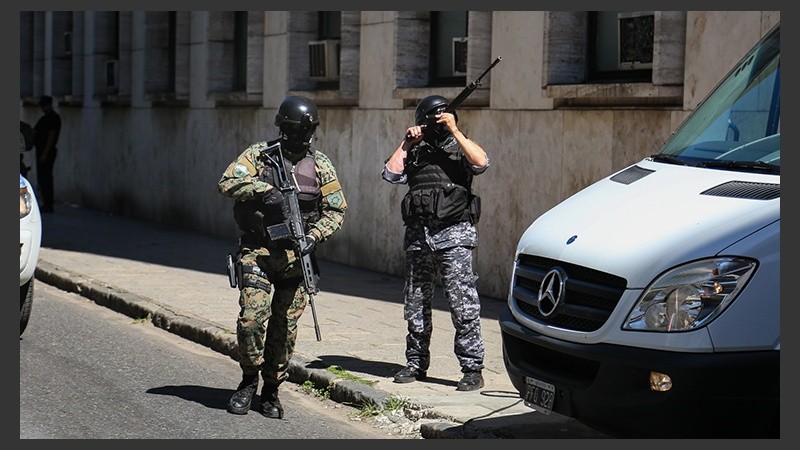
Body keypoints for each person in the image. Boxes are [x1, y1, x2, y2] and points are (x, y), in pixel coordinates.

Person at [218, 95, 347, 418]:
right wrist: (262, 190)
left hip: (295, 259)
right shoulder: (260, 156)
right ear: (282, 128)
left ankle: (272, 389)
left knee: (284, 330)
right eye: (292, 131)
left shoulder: (320, 165)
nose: (299, 138)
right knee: (251, 320)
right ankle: (248, 381)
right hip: (258, 252)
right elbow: (227, 182)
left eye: (305, 132)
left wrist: (314, 236)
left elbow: (336, 210)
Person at [381, 95, 489, 391]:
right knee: (416, 302)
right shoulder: (416, 152)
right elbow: (390, 174)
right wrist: (406, 143)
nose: (440, 123)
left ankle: (472, 368)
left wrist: (455, 131)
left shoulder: (461, 146)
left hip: (454, 236)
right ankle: (416, 363)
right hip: (419, 237)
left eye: (446, 118)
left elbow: (482, 162)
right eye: (436, 119)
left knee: (462, 301)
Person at [33, 95, 61, 213]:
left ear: (49, 105)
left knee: (46, 178)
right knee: (42, 177)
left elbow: (51, 136)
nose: (42, 108)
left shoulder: (53, 118)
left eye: (44, 105)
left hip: (46, 152)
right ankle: (46, 203)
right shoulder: (45, 118)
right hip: (41, 151)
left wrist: (45, 152)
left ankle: (48, 204)